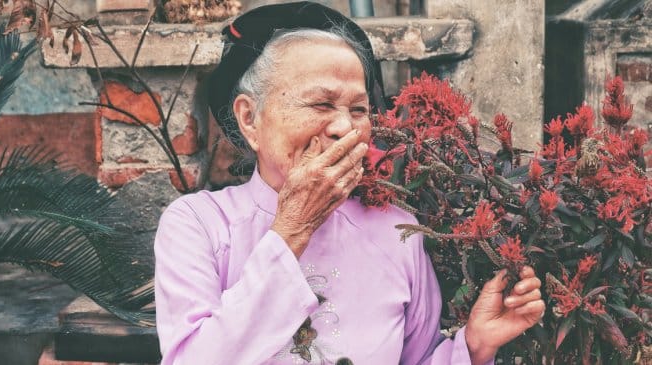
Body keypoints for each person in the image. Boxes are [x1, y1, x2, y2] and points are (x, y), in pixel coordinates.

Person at [154, 2, 545, 364]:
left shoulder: (396, 232)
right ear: (250, 118)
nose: (345, 127)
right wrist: (292, 229)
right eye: (321, 104)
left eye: (358, 109)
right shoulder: (198, 224)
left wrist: (475, 345)